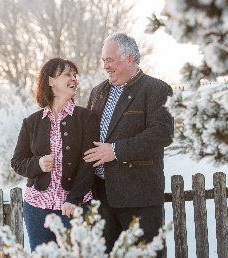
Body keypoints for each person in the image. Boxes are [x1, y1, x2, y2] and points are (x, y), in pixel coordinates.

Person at [84, 32, 174, 256]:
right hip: (102, 197)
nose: (105, 66)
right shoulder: (98, 92)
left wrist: (115, 151)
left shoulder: (156, 89)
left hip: (139, 198)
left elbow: (162, 133)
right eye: (104, 60)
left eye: (110, 60)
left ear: (130, 58)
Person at [11, 57, 99, 251]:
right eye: (68, 74)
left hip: (73, 208)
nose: (74, 79)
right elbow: (17, 162)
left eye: (75, 75)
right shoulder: (31, 122)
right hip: (36, 208)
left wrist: (73, 199)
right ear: (50, 81)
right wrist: (38, 164)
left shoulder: (86, 118)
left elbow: (89, 163)